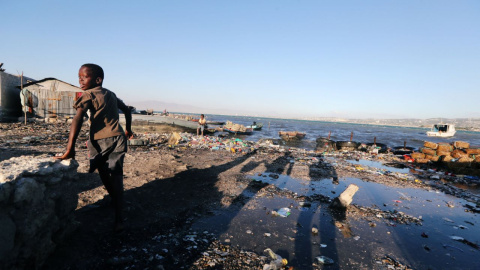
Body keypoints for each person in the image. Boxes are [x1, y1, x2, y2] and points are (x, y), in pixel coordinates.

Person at [54, 63, 133, 232]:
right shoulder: (111, 94)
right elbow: (127, 110)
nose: (80, 80)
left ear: (98, 80)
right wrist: (128, 129)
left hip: (99, 141)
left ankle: (116, 207)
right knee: (114, 175)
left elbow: (78, 118)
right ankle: (119, 217)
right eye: (79, 77)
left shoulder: (88, 95)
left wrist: (70, 148)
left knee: (107, 173)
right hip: (118, 138)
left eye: (84, 77)